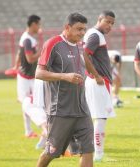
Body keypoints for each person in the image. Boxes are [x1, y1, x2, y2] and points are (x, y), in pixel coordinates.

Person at [35, 13, 94, 167]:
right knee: (51, 152)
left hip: (82, 109)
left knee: (87, 150)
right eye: (78, 29)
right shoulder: (53, 43)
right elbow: (39, 73)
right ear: (67, 27)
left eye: (84, 29)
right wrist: (64, 76)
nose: (82, 33)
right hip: (60, 110)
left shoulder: (80, 45)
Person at [83, 10, 116, 161]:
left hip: (96, 81)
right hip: (98, 82)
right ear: (99, 19)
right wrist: (96, 75)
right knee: (101, 117)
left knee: (97, 117)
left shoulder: (93, 34)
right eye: (107, 21)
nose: (110, 25)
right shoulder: (96, 35)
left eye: (112, 23)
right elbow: (84, 54)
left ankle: (94, 151)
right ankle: (98, 154)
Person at [17, 15, 41, 138]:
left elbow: (18, 54)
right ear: (33, 24)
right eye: (39, 24)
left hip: (30, 76)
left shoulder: (28, 38)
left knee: (33, 102)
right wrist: (41, 52)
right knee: (27, 103)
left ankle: (30, 130)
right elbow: (30, 59)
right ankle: (28, 131)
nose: (39, 27)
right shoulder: (27, 40)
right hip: (26, 78)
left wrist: (15, 67)